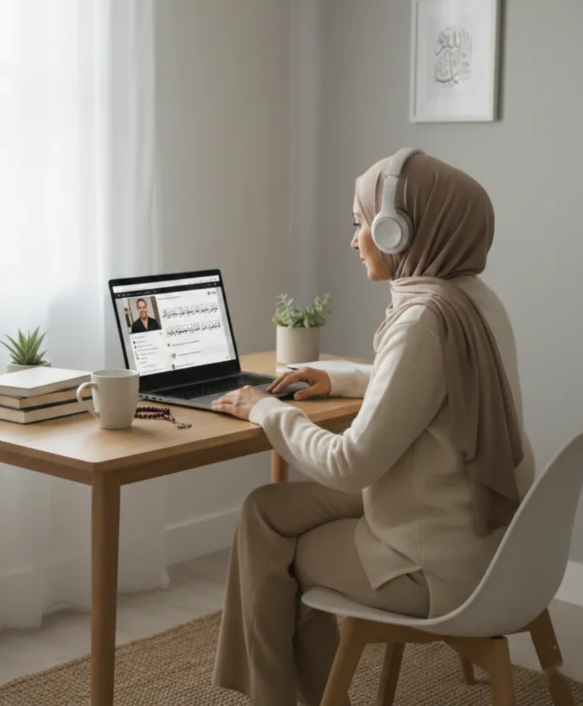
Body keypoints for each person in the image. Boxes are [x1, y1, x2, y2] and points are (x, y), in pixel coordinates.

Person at [209, 150, 535, 706]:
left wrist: (265, 410)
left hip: (432, 565)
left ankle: (282, 698)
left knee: (277, 556)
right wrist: (334, 378)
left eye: (361, 223)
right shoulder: (471, 301)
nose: (354, 239)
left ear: (397, 231)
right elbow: (430, 385)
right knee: (264, 509)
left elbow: (348, 466)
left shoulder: (423, 321)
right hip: (480, 533)